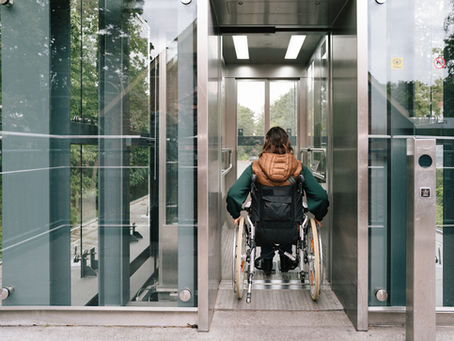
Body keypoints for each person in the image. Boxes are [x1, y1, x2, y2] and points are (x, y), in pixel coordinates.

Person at [226, 126, 329, 275]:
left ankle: (266, 259)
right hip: (291, 227)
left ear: (266, 144)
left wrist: (235, 214)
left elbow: (233, 194)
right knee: (289, 214)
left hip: (261, 226)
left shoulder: (255, 167)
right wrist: (319, 216)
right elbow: (320, 197)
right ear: (287, 143)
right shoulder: (299, 168)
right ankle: (286, 259)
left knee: (264, 214)